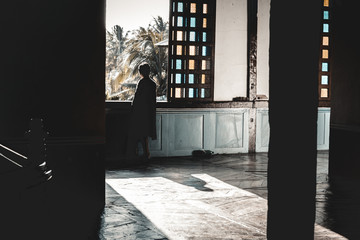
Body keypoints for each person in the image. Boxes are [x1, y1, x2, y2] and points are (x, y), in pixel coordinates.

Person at [126, 63, 157, 162]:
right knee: (145, 134)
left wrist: (133, 108)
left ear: (141, 72)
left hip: (140, 112)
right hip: (149, 112)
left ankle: (136, 154)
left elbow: (137, 98)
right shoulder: (152, 84)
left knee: (137, 133)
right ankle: (146, 153)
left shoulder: (142, 83)